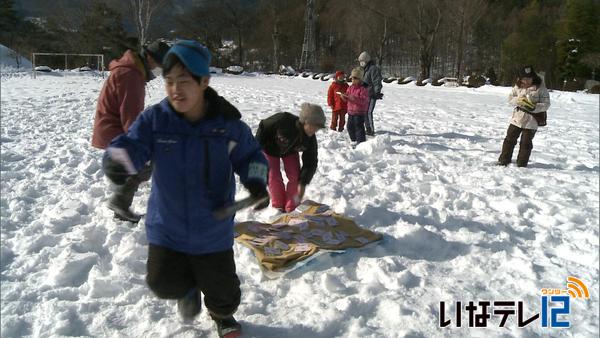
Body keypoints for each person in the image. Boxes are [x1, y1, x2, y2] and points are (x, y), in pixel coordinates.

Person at [102, 40, 269, 337]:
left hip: (212, 228)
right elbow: (133, 143)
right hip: (168, 225)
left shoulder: (227, 125)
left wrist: (256, 180)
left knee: (224, 292)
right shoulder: (156, 120)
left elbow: (251, 156)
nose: (175, 89)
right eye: (168, 81)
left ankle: (222, 315)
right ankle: (188, 288)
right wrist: (119, 158)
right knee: (161, 283)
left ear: (204, 81)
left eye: (184, 81)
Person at [91, 39, 170, 222]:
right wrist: (140, 144)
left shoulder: (132, 71)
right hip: (115, 130)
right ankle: (119, 203)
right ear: (148, 57)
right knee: (142, 165)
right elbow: (131, 116)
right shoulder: (131, 75)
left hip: (112, 128)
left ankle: (119, 203)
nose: (159, 70)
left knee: (136, 166)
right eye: (159, 64)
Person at [255, 103, 325, 213]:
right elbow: (263, 127)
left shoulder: (310, 138)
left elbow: (310, 161)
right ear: (305, 122)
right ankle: (278, 206)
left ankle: (291, 207)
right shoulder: (283, 120)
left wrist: (303, 182)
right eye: (314, 126)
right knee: (273, 176)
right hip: (270, 149)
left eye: (318, 128)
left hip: (290, 152)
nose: (316, 130)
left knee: (296, 176)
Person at [498, 65, 550, 167]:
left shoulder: (541, 88)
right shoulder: (517, 86)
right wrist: (518, 101)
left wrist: (534, 107)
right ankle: (504, 160)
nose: (526, 81)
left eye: (528, 78)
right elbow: (510, 98)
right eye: (523, 78)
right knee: (509, 140)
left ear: (533, 77)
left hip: (532, 121)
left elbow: (546, 104)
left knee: (526, 143)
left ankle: (522, 164)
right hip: (517, 119)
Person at [339, 67, 369, 146]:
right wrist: (344, 97)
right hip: (351, 112)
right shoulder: (350, 88)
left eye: (355, 78)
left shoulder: (363, 89)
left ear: (360, 79)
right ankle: (354, 140)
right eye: (352, 78)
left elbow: (363, 100)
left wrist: (352, 98)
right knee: (349, 127)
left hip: (359, 112)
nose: (353, 80)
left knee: (359, 127)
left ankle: (361, 142)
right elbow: (347, 98)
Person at [357, 51, 383, 136]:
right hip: (364, 94)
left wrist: (377, 92)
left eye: (363, 60)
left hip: (372, 94)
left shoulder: (373, 69)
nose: (361, 62)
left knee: (369, 112)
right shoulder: (363, 69)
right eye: (360, 61)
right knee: (364, 112)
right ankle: (367, 128)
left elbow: (377, 81)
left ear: (367, 60)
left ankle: (371, 130)